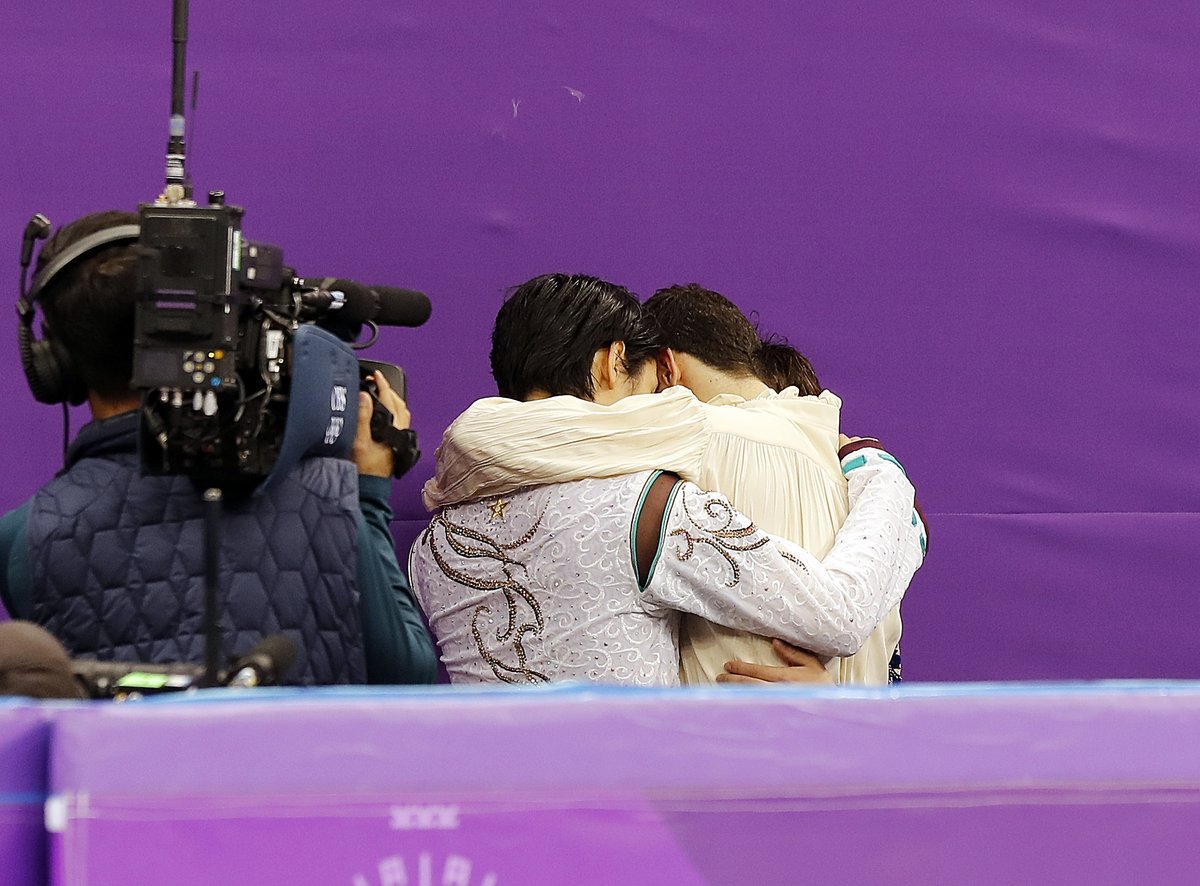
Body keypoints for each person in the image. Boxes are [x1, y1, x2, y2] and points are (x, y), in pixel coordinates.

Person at [410, 273, 924, 686]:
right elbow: (840, 616)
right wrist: (881, 475)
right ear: (613, 363)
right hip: (630, 805)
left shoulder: (429, 548)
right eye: (654, 390)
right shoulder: (647, 506)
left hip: (495, 805)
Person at [0, 210, 437, 685]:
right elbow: (405, 670)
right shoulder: (329, 495)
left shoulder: (23, 538)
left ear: (54, 363)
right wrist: (368, 494)